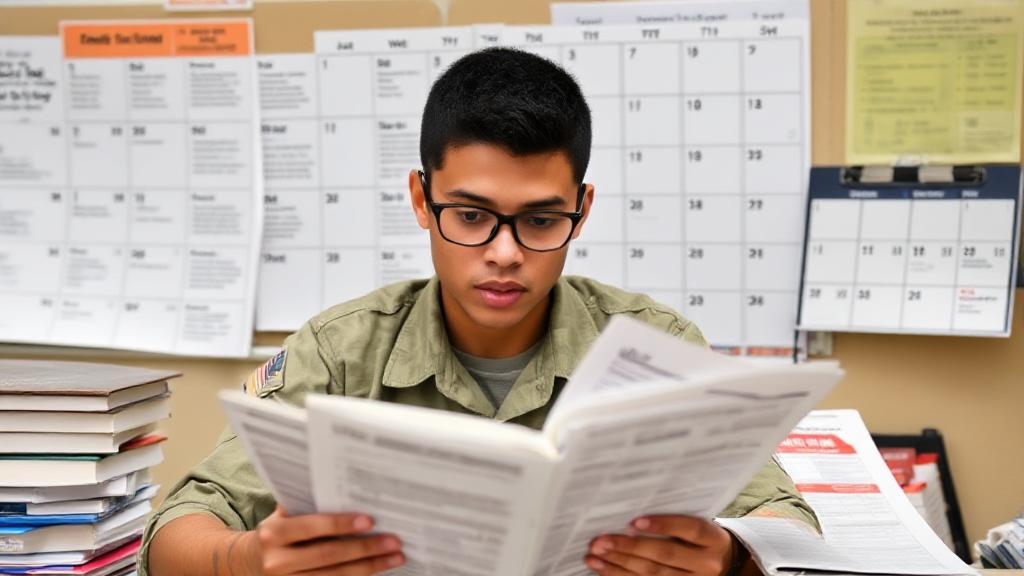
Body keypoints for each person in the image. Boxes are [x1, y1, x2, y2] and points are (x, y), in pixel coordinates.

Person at [143, 47, 816, 576]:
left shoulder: (655, 346)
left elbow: (787, 524)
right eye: (470, 215)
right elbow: (180, 527)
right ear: (419, 197)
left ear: (581, 210)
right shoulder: (340, 353)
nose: (503, 253)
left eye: (541, 219)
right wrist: (249, 560)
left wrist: (728, 558)